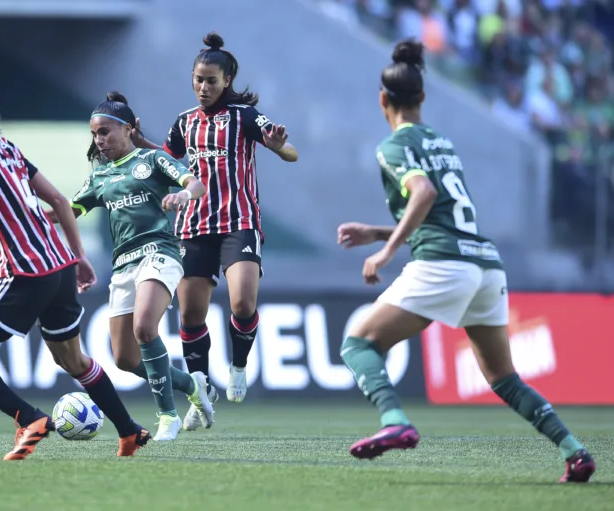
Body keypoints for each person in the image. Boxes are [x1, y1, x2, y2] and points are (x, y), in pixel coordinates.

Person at [336, 40, 596, 483]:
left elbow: (425, 195)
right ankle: (574, 450)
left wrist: (386, 250)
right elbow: (443, 212)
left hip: (442, 264)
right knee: (503, 378)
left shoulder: (393, 147)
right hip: (484, 265)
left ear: (383, 99)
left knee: (358, 344)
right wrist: (378, 231)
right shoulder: (441, 141)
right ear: (422, 97)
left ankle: (394, 420)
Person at [0, 73, 150, 460]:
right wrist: (79, 255)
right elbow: (60, 201)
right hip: (60, 265)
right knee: (73, 360)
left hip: (25, 271)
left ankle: (29, 418)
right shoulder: (5, 146)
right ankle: (129, 431)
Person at [135, 32, 298, 431]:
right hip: (194, 225)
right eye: (197, 79)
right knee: (191, 315)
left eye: (211, 80)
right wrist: (141, 142)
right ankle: (201, 390)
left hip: (239, 221)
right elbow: (167, 160)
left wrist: (278, 147)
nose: (203, 87)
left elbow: (292, 152)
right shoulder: (184, 122)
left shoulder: (243, 116)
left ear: (227, 80)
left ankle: (238, 366)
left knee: (243, 303)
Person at [52, 92, 215, 441]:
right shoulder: (99, 178)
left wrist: (182, 195)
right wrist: (27, 213)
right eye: (95, 134)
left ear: (127, 129)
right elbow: (69, 212)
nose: (100, 140)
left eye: (106, 132)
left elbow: (196, 183)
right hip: (123, 264)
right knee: (124, 358)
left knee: (145, 328)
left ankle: (167, 416)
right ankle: (192, 385)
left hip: (160, 250)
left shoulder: (153, 160)